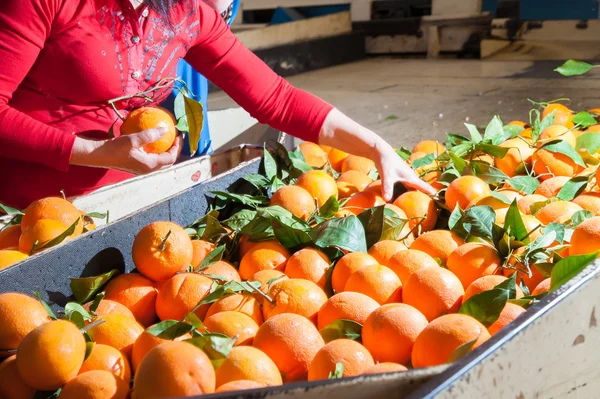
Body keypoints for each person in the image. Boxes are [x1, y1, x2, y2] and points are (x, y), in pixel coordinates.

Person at [0, 0, 434, 209]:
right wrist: (90, 153)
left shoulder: (185, 13)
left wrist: (377, 148)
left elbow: (275, 98)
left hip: (123, 206)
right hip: (22, 216)